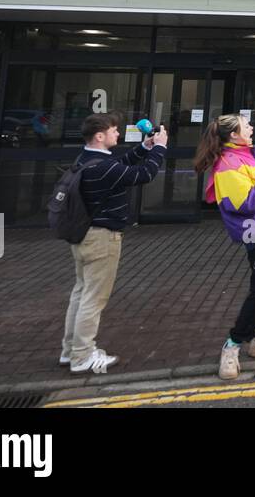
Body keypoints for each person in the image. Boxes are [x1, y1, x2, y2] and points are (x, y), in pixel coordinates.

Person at [60, 112, 167, 375]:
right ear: (100, 136)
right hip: (102, 238)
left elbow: (121, 165)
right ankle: (82, 356)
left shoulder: (88, 159)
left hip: (85, 235)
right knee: (94, 299)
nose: (117, 134)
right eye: (113, 130)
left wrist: (144, 147)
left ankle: (70, 349)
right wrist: (160, 148)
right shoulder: (104, 167)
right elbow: (144, 175)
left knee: (81, 292)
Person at [195, 113, 255, 381]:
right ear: (234, 135)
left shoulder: (246, 153)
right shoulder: (227, 164)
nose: (251, 128)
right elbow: (248, 202)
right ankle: (233, 344)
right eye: (245, 126)